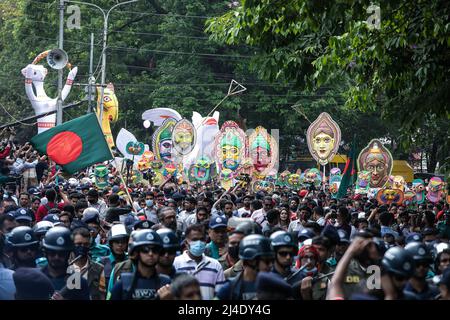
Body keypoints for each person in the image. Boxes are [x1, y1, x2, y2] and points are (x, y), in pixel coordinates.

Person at [109, 229, 171, 300]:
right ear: (136, 253)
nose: (150, 254)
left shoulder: (166, 284)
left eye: (155, 250)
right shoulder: (123, 284)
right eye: (145, 250)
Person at [173, 224, 225, 300]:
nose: (199, 243)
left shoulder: (215, 265)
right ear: (186, 243)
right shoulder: (176, 263)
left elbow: (220, 295)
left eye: (202, 239)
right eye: (195, 240)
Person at [216, 234, 274, 300]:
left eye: (272, 261)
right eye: (267, 261)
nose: (270, 265)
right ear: (251, 261)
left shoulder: (275, 287)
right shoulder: (230, 288)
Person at [40, 226, 90, 300]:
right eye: (52, 253)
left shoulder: (80, 282)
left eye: (61, 254)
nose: (56, 257)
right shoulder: (35, 279)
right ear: (45, 253)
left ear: (68, 253)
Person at [70, 227, 106, 300]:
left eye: (86, 244)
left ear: (89, 245)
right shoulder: (65, 268)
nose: (82, 247)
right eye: (79, 244)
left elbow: (102, 295)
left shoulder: (99, 269)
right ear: (72, 244)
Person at [101, 224, 129, 288]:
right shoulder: (101, 262)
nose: (120, 245)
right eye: (117, 242)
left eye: (123, 242)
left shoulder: (131, 262)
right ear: (111, 244)